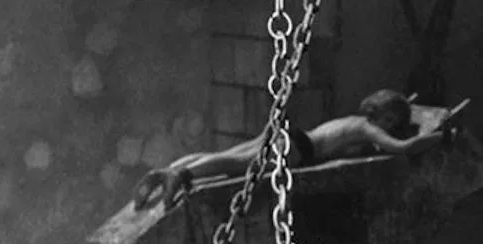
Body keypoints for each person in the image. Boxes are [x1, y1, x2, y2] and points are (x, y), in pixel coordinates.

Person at [132, 89, 454, 211]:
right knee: (237, 164)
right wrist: (441, 136)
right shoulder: (368, 128)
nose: (390, 129)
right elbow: (403, 148)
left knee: (230, 154)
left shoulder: (353, 121)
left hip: (292, 134)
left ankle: (171, 169)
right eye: (393, 123)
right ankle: (180, 174)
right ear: (387, 117)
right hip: (299, 147)